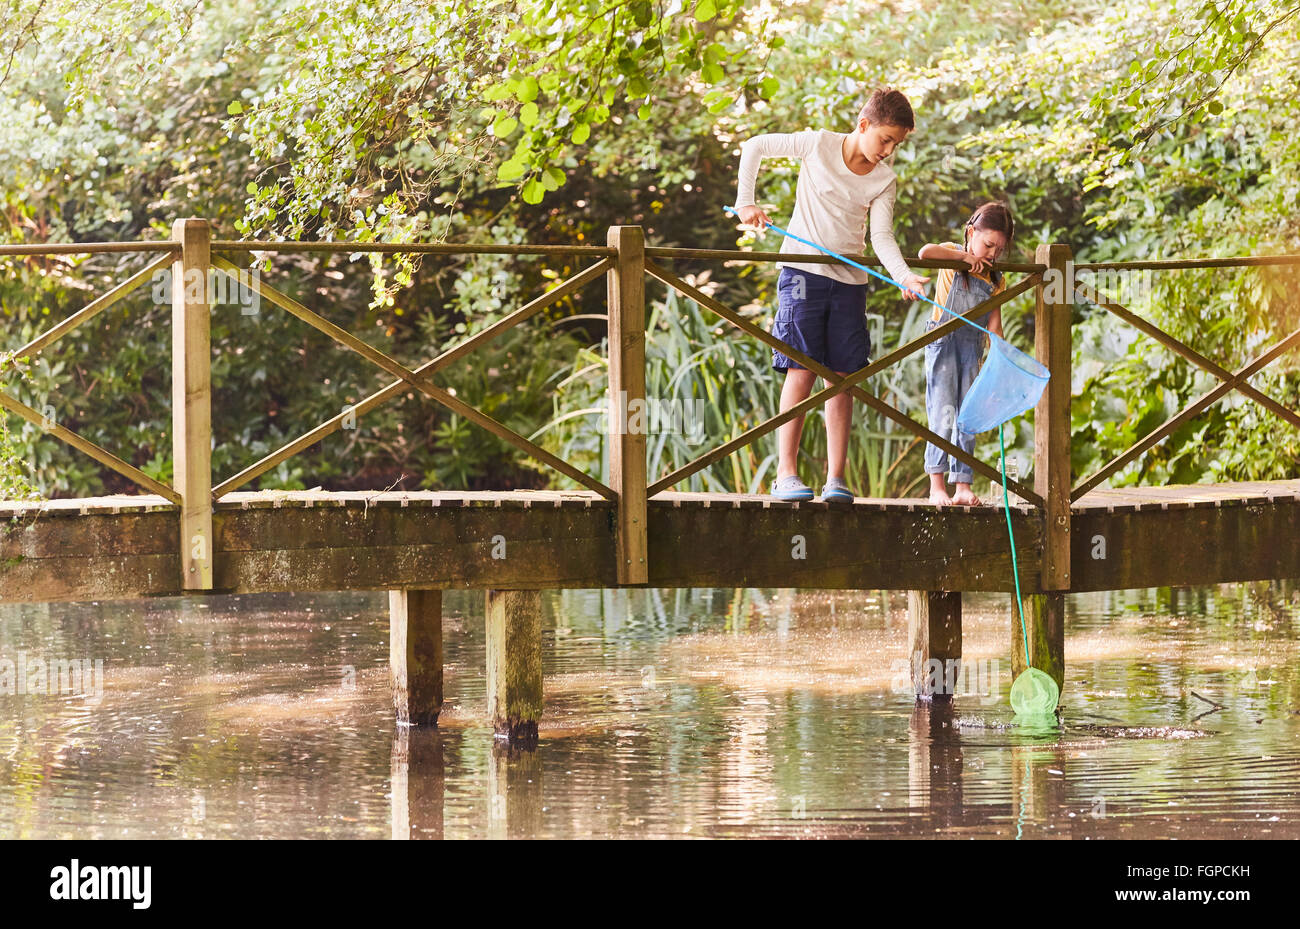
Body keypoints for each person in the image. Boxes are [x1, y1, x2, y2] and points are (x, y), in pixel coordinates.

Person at [733, 87, 930, 502]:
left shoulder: (884, 180)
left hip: (849, 284)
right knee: (801, 369)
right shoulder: (816, 144)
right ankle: (786, 473)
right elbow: (754, 146)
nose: (889, 150)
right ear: (864, 125)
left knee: (842, 379)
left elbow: (880, 236)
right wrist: (745, 203)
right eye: (886, 139)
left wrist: (905, 277)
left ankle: (835, 478)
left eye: (897, 143)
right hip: (802, 275)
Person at [918, 201, 1014, 506]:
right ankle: (937, 486)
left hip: (972, 349)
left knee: (968, 415)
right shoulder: (950, 255)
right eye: (987, 244)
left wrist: (999, 359)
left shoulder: (997, 279)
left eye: (998, 250)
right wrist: (963, 257)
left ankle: (962, 485)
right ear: (971, 232)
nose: (991, 254)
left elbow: (994, 326)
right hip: (943, 343)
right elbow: (925, 253)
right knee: (942, 412)